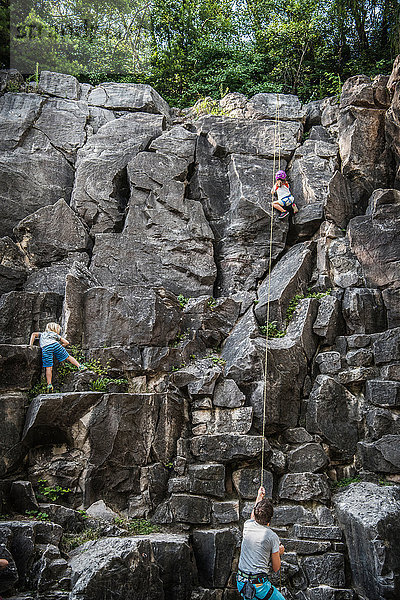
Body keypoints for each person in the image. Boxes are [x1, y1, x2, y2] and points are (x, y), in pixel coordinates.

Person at [237, 486, 286, 600]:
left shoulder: (247, 525)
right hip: (259, 587)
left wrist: (259, 496)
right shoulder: (271, 536)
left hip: (241, 582)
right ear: (270, 518)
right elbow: (276, 567)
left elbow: (253, 516)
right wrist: (279, 552)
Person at [29, 322, 86, 392]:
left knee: (48, 367)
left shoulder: (42, 334)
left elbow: (33, 334)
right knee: (68, 357)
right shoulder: (54, 334)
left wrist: (30, 345)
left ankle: (49, 384)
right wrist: (61, 347)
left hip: (46, 348)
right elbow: (66, 342)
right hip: (56, 345)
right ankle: (80, 366)